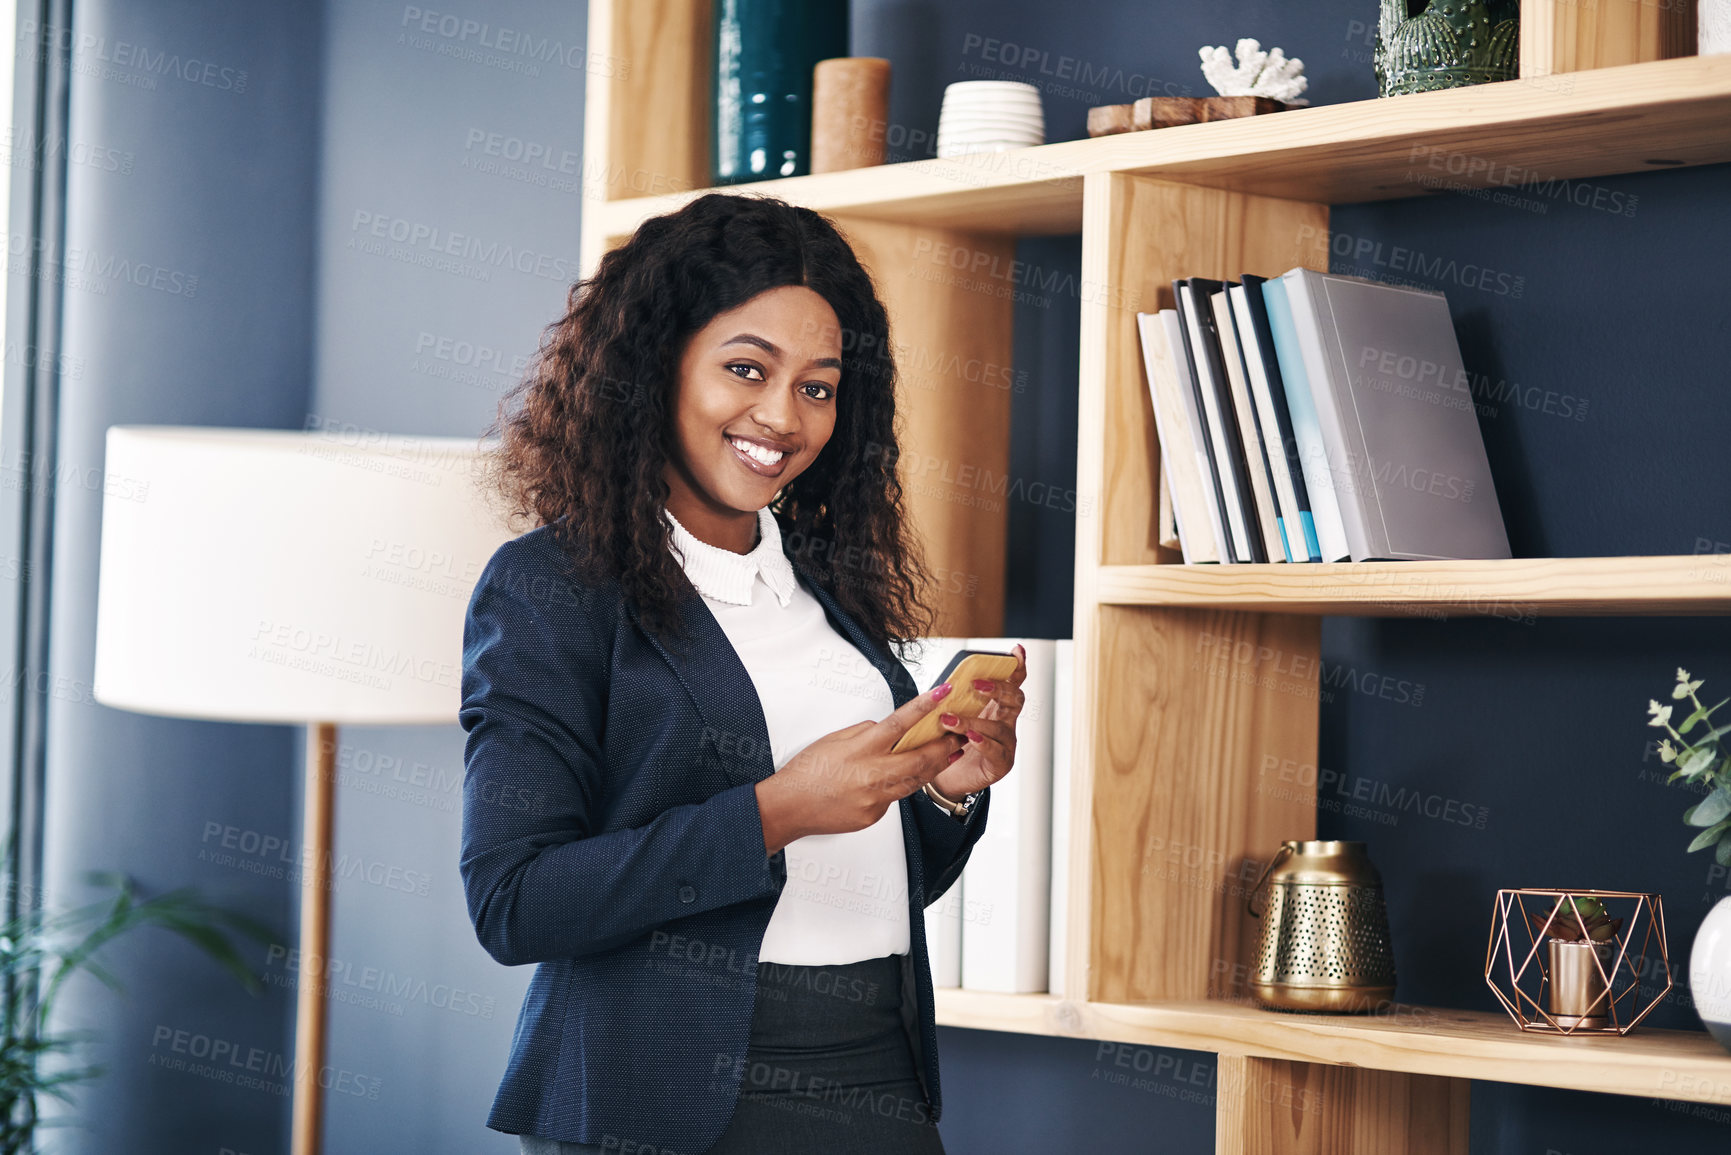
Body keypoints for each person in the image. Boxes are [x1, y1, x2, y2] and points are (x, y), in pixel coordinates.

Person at [459, 192, 1027, 1155]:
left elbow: (866, 877)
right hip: (667, 1095)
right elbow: (515, 901)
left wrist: (939, 794)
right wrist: (779, 809)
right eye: (745, 369)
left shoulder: (819, 581)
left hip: (876, 1066)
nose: (783, 415)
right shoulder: (551, 586)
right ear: (655, 366)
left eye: (817, 385)